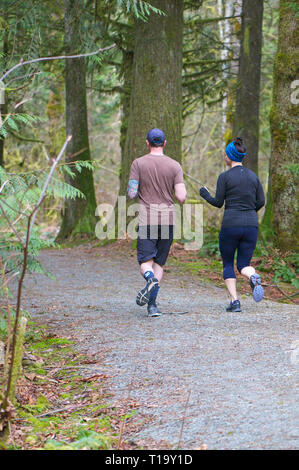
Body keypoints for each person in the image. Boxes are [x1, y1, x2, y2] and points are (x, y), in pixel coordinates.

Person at [199, 137, 265, 312]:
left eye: (225, 154)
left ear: (229, 156)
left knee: (228, 263)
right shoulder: (253, 176)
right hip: (251, 225)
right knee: (244, 264)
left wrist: (204, 194)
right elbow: (261, 201)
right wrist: (250, 211)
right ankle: (253, 276)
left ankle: (235, 302)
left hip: (231, 225)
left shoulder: (225, 177)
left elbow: (218, 202)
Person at [127, 128, 187, 317]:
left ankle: (149, 279)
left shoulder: (138, 163)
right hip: (167, 220)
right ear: (165, 143)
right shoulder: (175, 166)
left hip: (147, 219)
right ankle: (152, 305)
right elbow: (181, 197)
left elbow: (131, 193)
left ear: (147, 143)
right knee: (159, 263)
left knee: (146, 262)